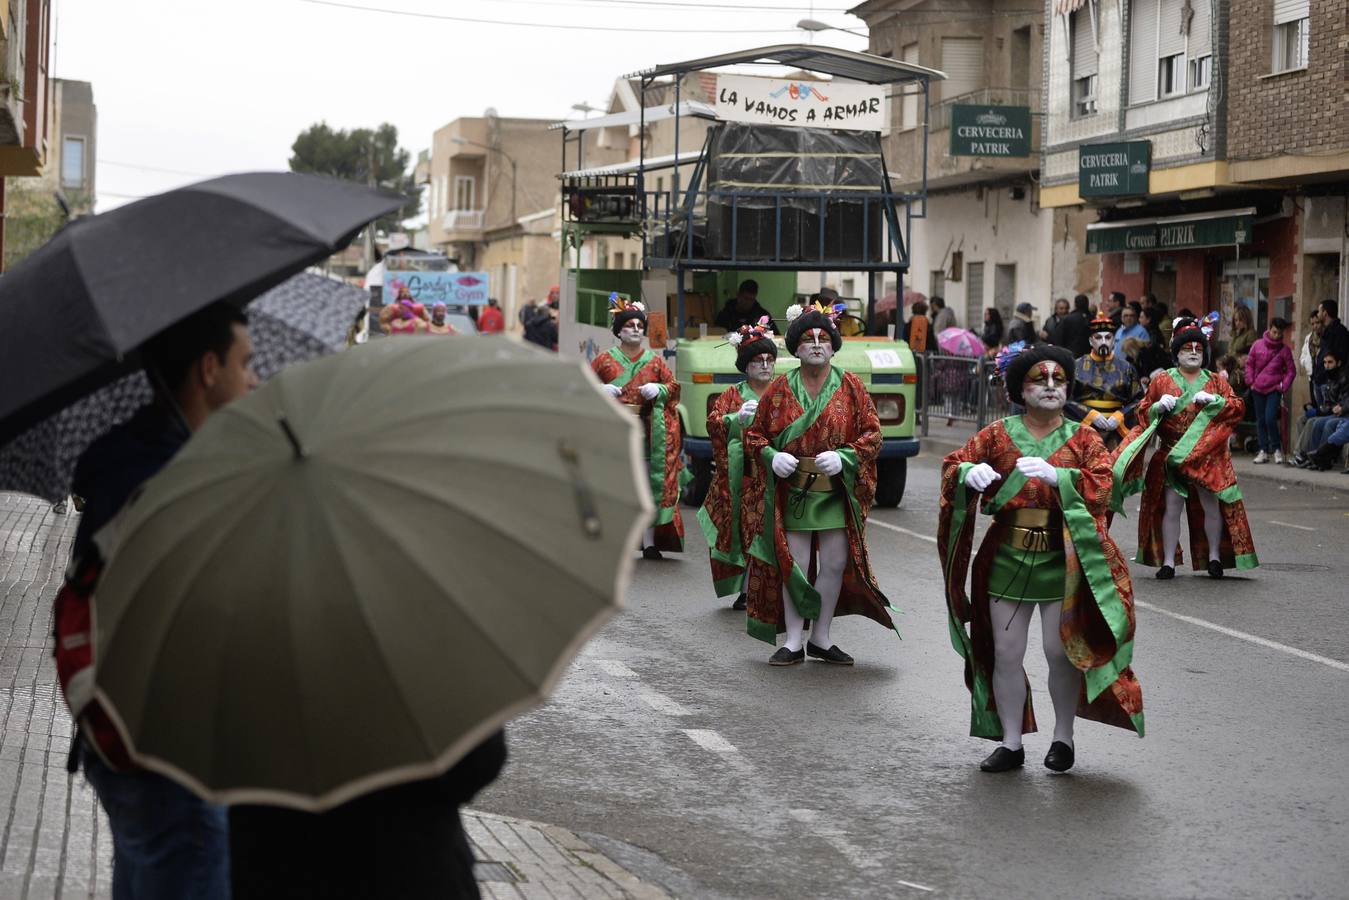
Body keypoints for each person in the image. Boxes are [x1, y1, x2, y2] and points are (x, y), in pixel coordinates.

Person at [70, 302, 257, 900]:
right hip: (173, 749)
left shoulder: (131, 457)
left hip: (124, 737)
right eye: (245, 363)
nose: (254, 380)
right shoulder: (174, 478)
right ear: (208, 369)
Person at [939, 343, 1144, 774]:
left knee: (1060, 650)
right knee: (1007, 653)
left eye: (1059, 379)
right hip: (1007, 557)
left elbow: (1104, 488)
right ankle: (1011, 743)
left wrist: (1062, 477)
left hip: (1062, 559)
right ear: (1020, 389)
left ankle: (1063, 738)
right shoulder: (996, 434)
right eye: (1040, 379)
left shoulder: (1084, 437)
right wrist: (967, 474)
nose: (1051, 386)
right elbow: (953, 466)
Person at [741, 298, 898, 665]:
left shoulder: (852, 386)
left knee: (834, 562)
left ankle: (821, 637)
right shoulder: (779, 388)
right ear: (796, 348)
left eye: (823, 338)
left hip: (834, 491)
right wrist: (772, 456)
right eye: (807, 339)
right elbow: (754, 436)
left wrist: (845, 457)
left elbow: (873, 435)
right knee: (794, 563)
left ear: (833, 346)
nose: (815, 344)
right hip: (794, 488)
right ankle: (794, 639)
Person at [230, 731, 507, 899]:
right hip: (408, 868)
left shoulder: (243, 666)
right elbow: (477, 764)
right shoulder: (418, 661)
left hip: (272, 869)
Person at [1112, 315, 1260, 580]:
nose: (1193, 353)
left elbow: (1238, 407)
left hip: (1208, 457)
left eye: (1198, 349)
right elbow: (1142, 411)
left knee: (1211, 507)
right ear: (1176, 353)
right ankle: (1168, 562)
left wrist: (1215, 401)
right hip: (1172, 455)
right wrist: (1158, 407)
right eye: (1187, 348)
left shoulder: (1215, 381)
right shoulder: (1162, 380)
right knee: (1172, 508)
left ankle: (1214, 558)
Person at [591, 295, 684, 558]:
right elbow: (581, 385)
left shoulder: (655, 361)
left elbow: (674, 388)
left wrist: (660, 389)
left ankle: (649, 542)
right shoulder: (604, 360)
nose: (635, 329)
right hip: (613, 432)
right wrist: (599, 389)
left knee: (646, 488)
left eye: (639, 326)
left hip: (647, 434)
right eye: (629, 325)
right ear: (618, 330)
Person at [698, 317, 778, 611]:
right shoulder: (732, 395)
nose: (765, 366)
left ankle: (777, 588)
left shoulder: (782, 391)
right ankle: (746, 589)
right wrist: (736, 419)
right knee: (746, 532)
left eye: (769, 360)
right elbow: (713, 424)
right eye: (758, 360)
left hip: (776, 474)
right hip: (744, 476)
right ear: (746, 365)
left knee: (774, 533)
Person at [1064, 313, 1142, 451]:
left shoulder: (1126, 368)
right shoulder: (1076, 366)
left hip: (1117, 428)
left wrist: (1120, 416)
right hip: (1084, 426)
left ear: (1114, 341)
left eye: (1108, 337)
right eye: (1098, 337)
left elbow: (1139, 400)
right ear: (1090, 341)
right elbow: (1065, 399)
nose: (1104, 341)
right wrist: (1090, 415)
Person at [1245, 317, 1295, 463]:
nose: (1276, 336)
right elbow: (1249, 364)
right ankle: (1263, 450)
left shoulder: (1284, 350)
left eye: (1279, 333)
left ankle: (1276, 448)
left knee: (1270, 418)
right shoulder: (1257, 345)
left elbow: (1291, 371)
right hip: (1257, 388)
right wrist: (1250, 381)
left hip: (1274, 389)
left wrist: (1282, 386)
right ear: (1269, 329)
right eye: (1274, 332)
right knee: (1260, 420)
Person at [1292, 349, 1349, 468]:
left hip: (1341, 413)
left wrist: (1338, 408)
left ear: (1338, 363)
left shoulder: (1343, 378)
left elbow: (1341, 402)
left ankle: (1318, 457)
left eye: (1330, 362)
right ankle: (1304, 455)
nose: (1327, 366)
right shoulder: (1329, 378)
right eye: (1325, 363)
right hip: (1332, 411)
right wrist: (1317, 409)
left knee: (1317, 422)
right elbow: (1328, 403)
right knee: (1302, 420)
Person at [1313, 300, 1349, 407]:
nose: (1318, 314)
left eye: (1319, 311)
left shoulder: (1340, 332)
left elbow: (1341, 359)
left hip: (1330, 383)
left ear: (1325, 313)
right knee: (1320, 412)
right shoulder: (1326, 331)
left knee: (1328, 413)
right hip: (1319, 380)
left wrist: (1331, 377)